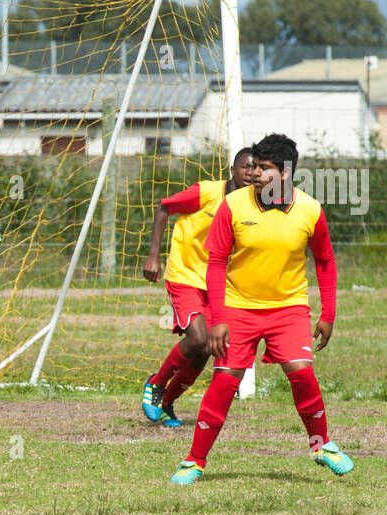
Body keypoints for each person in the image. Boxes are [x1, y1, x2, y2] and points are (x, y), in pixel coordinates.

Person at [171, 133, 354, 484]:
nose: (254, 173)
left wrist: (327, 315)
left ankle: (322, 445)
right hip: (238, 307)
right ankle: (194, 461)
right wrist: (220, 319)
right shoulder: (234, 205)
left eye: (263, 168)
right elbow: (215, 263)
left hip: (289, 308)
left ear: (285, 173)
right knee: (225, 380)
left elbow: (326, 263)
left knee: (302, 372)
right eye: (253, 166)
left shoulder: (310, 210)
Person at [141, 148, 253, 426]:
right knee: (199, 338)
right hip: (184, 274)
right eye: (245, 167)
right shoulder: (206, 192)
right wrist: (154, 255)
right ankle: (156, 383)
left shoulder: (251, 205)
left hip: (216, 283)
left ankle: (167, 403)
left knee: (208, 348)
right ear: (232, 170)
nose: (251, 173)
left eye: (256, 169)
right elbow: (164, 207)